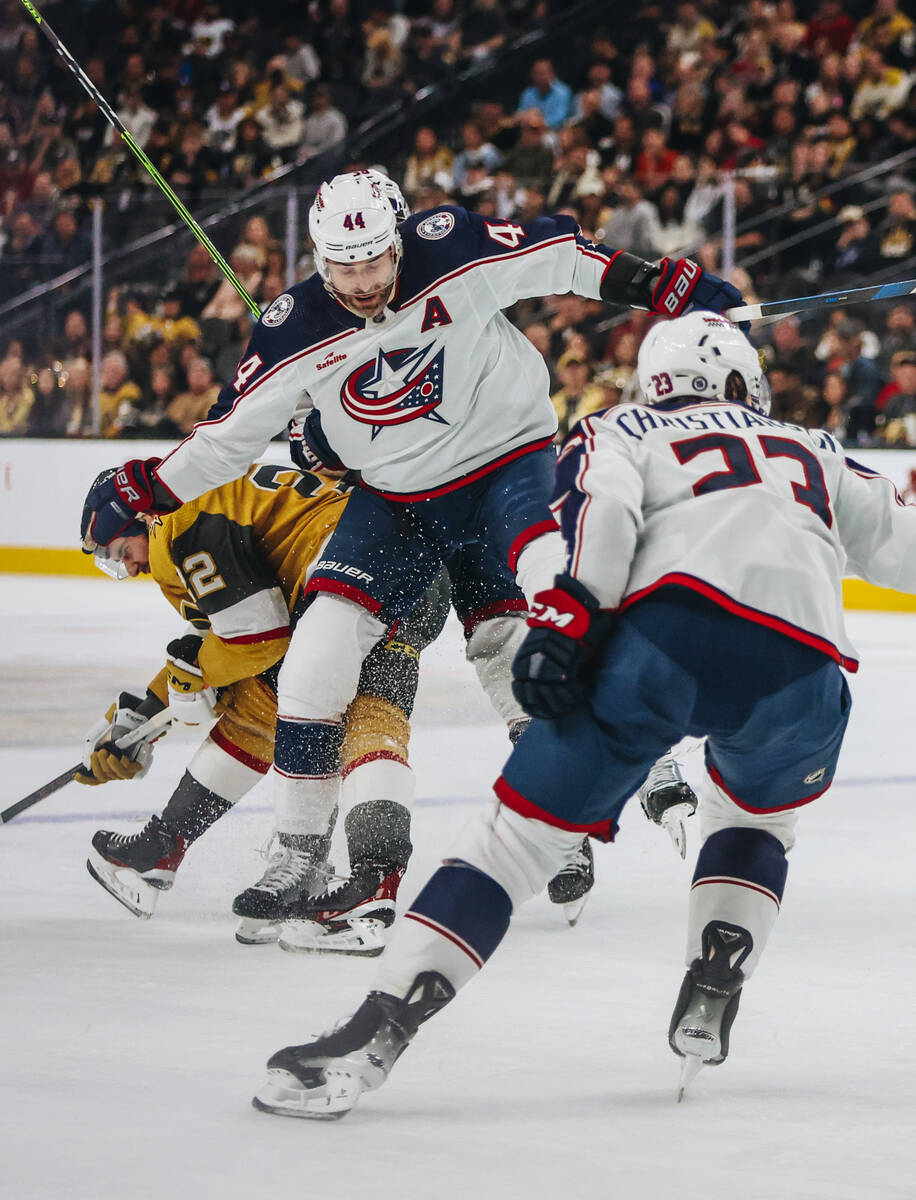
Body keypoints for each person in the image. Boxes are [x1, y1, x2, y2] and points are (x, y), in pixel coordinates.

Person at [249, 311, 916, 1118]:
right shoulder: (814, 447)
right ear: (743, 384)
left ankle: (376, 1032)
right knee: (755, 821)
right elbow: (904, 554)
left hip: (668, 643)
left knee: (512, 842)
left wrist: (567, 620)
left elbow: (603, 520)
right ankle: (715, 973)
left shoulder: (622, 425)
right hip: (805, 671)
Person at [80, 169, 735, 936]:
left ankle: (603, 780)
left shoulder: (448, 247)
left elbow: (559, 256)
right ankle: (299, 857)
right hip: (397, 497)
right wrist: (153, 487)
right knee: (318, 654)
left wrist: (662, 286)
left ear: (399, 239)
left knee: (534, 611)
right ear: (320, 260)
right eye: (341, 266)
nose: (359, 282)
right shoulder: (295, 325)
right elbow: (228, 439)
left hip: (505, 462)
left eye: (372, 262)